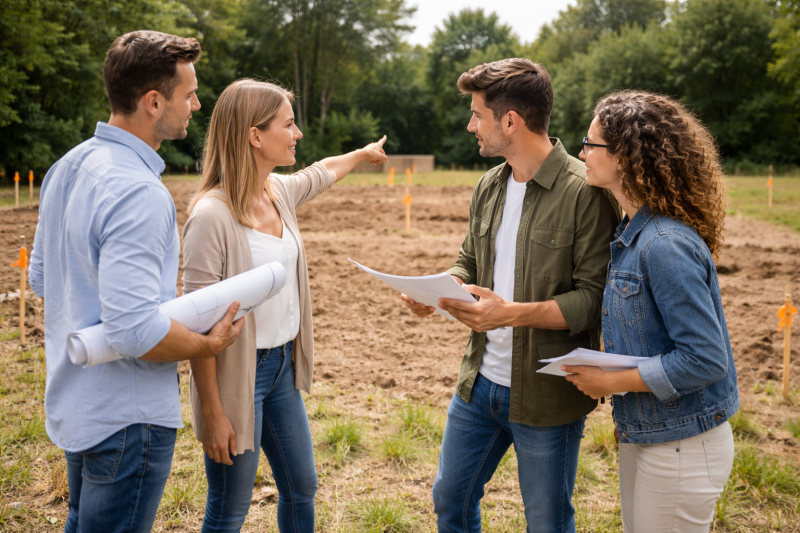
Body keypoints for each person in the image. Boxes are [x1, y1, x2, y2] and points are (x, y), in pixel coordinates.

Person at [28, 31, 244, 533]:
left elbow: (43, 278)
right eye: (188, 94)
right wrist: (206, 344)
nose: (196, 104)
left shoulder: (67, 166)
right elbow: (133, 333)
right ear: (153, 102)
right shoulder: (138, 192)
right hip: (126, 421)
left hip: (77, 403)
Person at [400, 58, 620, 532]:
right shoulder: (489, 186)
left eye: (477, 114)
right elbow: (469, 261)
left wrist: (511, 315)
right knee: (450, 501)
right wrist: (441, 289)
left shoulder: (585, 192)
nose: (470, 125)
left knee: (546, 520)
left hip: (546, 395)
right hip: (479, 384)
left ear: (510, 121)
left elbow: (595, 301)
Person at [182, 78, 388, 533]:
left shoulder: (277, 192)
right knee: (230, 506)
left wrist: (362, 154)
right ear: (255, 136)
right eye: (288, 125)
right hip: (239, 377)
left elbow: (322, 172)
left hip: (280, 371)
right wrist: (214, 414)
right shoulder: (210, 217)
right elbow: (196, 331)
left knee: (302, 487)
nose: (296, 135)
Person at [564, 90, 739, 532]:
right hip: (650, 432)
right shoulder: (632, 233)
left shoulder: (663, 245)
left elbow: (705, 358)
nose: (581, 153)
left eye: (590, 144)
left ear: (622, 157)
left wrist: (611, 381)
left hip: (683, 442)